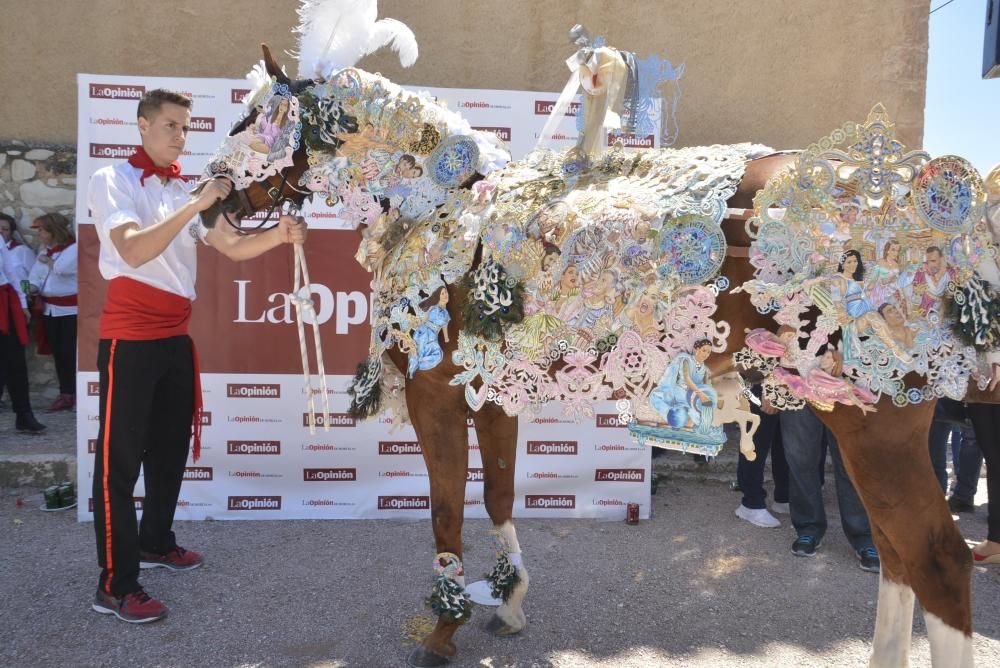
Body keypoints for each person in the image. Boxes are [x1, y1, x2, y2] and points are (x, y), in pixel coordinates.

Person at [87, 89, 307, 624]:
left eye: (185, 127)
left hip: (173, 340)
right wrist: (197, 201)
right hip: (128, 340)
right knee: (118, 467)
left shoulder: (186, 188)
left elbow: (231, 248)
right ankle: (115, 585)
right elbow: (134, 249)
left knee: (168, 452)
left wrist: (278, 237)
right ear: (141, 126)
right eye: (169, 125)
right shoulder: (111, 180)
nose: (179, 136)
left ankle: (156, 542)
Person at [780, 404, 880, 572]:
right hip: (796, 385)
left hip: (848, 385)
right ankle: (808, 528)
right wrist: (770, 388)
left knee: (852, 461)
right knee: (801, 459)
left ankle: (864, 536)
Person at [27, 213, 78, 411]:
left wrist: (47, 260)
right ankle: (65, 394)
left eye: (41, 230)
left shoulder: (73, 249)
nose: (39, 234)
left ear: (53, 230)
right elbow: (34, 276)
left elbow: (61, 269)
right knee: (58, 353)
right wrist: (29, 289)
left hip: (70, 311)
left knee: (69, 352)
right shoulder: (45, 250)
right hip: (49, 310)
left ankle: (76, 394)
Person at [0, 240, 46, 432]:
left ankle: (24, 414)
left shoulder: (22, 251)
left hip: (6, 300)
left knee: (15, 362)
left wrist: (24, 301)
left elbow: (16, 274)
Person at [734, 391, 790, 528]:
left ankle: (783, 496)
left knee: (783, 439)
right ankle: (751, 504)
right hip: (759, 381)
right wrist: (768, 391)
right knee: (755, 441)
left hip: (783, 381)